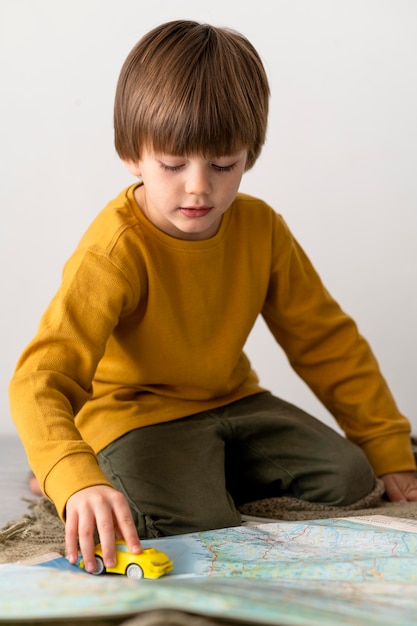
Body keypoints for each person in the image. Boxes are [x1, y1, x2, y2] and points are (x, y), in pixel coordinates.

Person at [9, 19, 417, 574]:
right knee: (194, 522)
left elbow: (325, 339)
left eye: (223, 165)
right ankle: (83, 467)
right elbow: (40, 379)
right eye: (173, 165)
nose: (199, 186)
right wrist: (71, 472)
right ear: (133, 155)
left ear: (249, 153)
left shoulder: (261, 227)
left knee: (350, 478)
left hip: (231, 401)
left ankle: (200, 469)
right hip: (132, 416)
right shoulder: (115, 250)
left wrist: (388, 447)